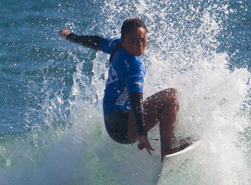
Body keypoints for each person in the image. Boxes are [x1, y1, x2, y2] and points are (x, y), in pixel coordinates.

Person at [59, 18, 190, 160]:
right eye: (134, 41)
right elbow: (136, 101)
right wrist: (142, 134)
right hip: (121, 127)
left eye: (142, 39)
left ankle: (171, 139)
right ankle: (167, 150)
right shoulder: (134, 66)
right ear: (124, 40)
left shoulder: (116, 45)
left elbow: (95, 41)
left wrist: (70, 36)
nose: (140, 45)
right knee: (170, 102)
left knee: (171, 92)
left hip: (115, 119)